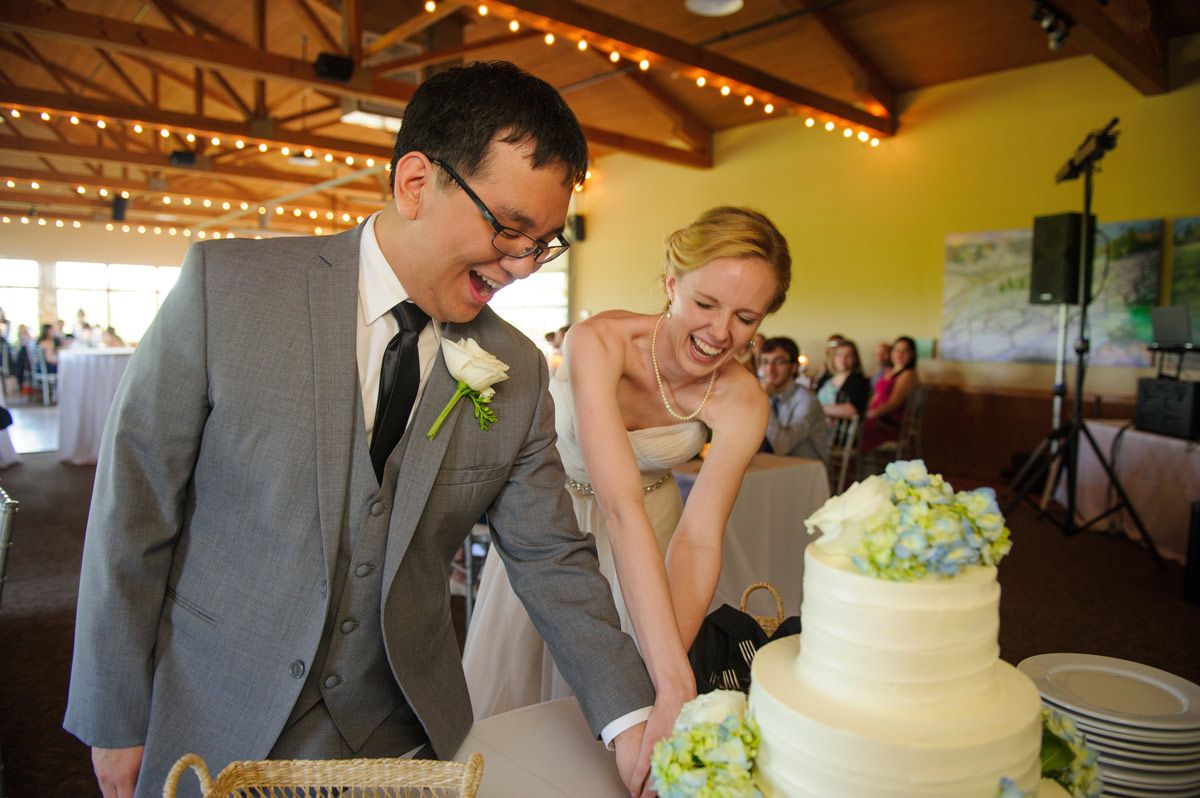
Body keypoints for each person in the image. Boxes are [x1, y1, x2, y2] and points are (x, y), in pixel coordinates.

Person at [65, 61, 658, 798]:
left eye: (541, 243)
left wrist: (632, 716)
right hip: (213, 712)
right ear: (415, 183)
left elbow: (551, 557)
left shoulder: (519, 367)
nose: (521, 268)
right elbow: (134, 508)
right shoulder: (227, 289)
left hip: (402, 735)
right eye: (508, 229)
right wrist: (114, 715)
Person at [463, 207, 790, 750]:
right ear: (671, 284)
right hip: (551, 526)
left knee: (644, 699)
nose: (720, 333)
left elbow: (700, 538)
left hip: (655, 535)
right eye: (706, 303)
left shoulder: (743, 401)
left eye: (746, 317)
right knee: (527, 713)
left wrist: (668, 674)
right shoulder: (600, 341)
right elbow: (618, 506)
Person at [759, 336, 829, 464]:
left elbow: (781, 446)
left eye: (779, 362)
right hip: (775, 465)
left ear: (794, 367)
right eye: (766, 362)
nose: (770, 369)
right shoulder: (770, 395)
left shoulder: (807, 400)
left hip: (806, 471)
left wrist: (762, 401)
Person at [861, 335, 920, 453]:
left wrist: (870, 414)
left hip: (890, 422)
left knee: (857, 430)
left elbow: (893, 403)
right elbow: (876, 395)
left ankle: (852, 465)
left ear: (912, 354)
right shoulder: (889, 371)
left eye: (905, 351)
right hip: (877, 416)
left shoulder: (908, 374)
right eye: (897, 350)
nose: (900, 354)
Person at [815, 338, 871, 419]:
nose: (843, 359)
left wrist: (818, 408)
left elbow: (852, 410)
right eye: (839, 355)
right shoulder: (827, 377)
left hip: (838, 428)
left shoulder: (858, 380)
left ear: (855, 358)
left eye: (848, 355)